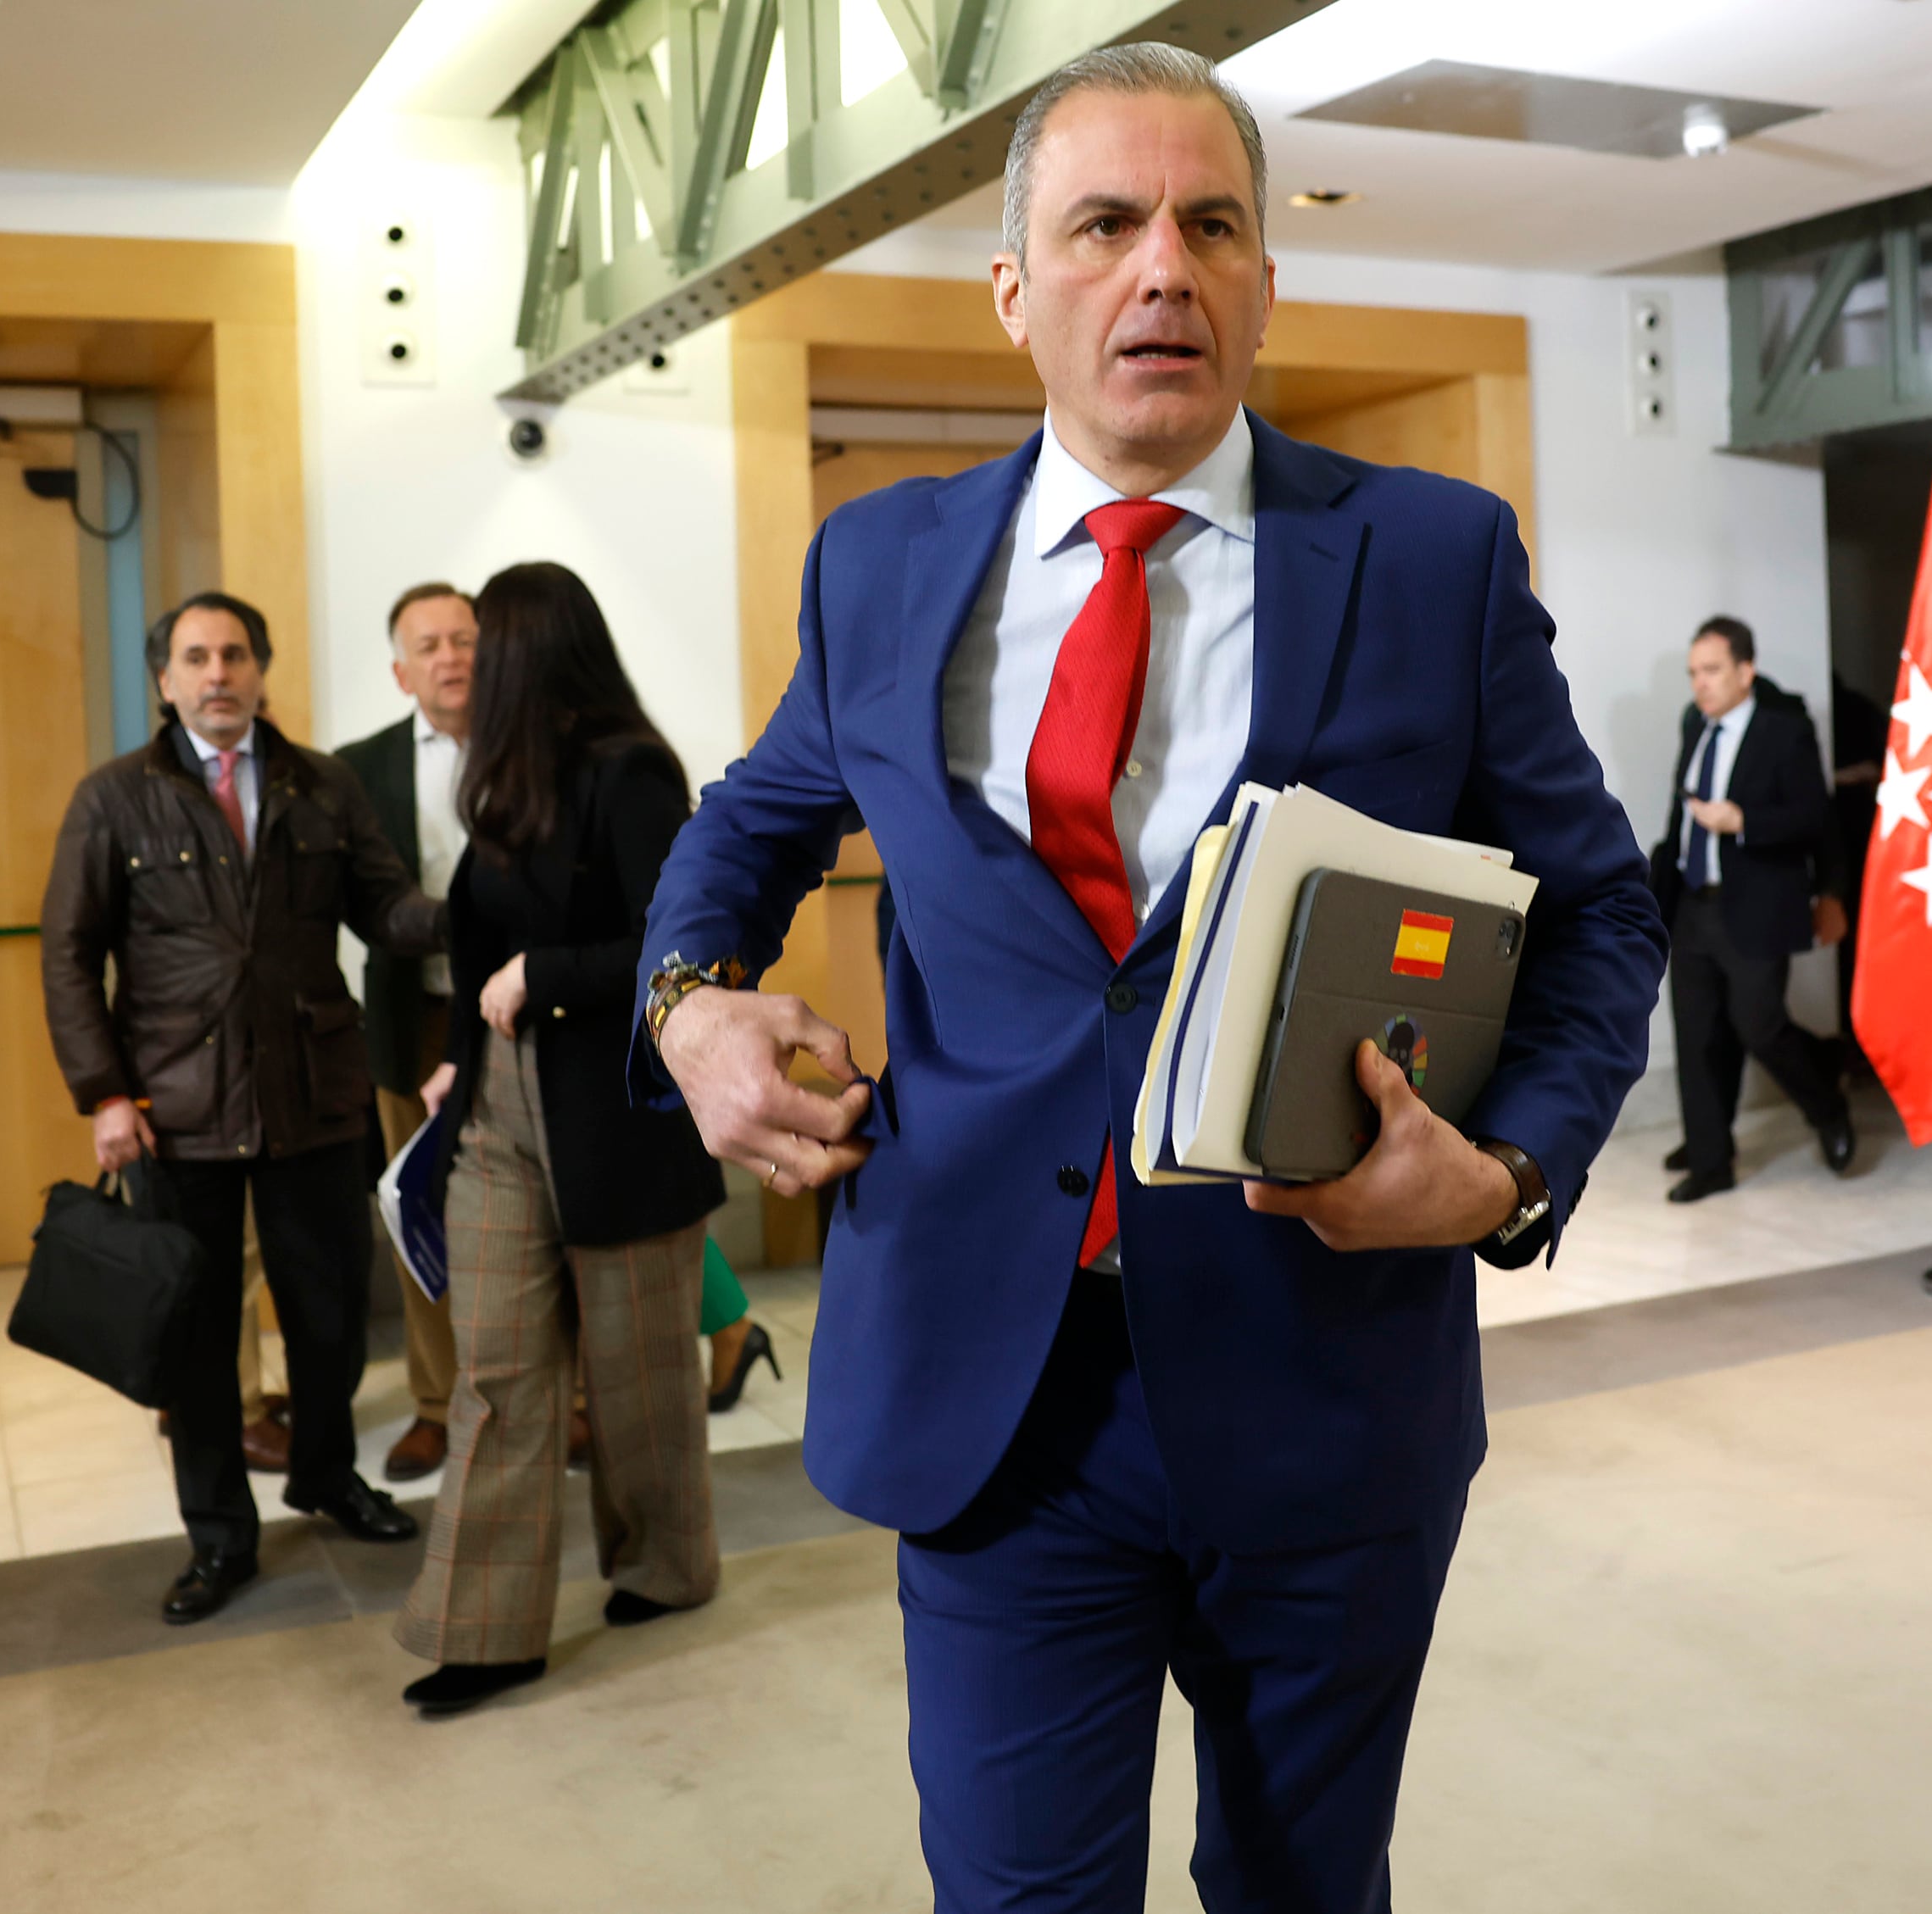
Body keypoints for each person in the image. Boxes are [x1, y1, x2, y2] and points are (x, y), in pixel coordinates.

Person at [634, 44, 1662, 1909]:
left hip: (1326, 1382)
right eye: (1104, 223)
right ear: (1016, 292)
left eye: (1211, 225)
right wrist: (692, 998)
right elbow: (753, 820)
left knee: (1302, 1889)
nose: (1162, 268)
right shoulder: (879, 569)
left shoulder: (1431, 559)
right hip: (999, 1396)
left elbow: (1600, 911)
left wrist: (1506, 1175)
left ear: (1268, 284)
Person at [40, 592, 437, 1626]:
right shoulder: (113, 797)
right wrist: (105, 1093)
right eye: (195, 657)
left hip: (315, 1095)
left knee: (330, 1312)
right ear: (165, 681)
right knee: (199, 1335)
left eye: (235, 655)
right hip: (175, 1106)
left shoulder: (323, 784)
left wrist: (481, 899)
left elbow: (387, 908)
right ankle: (219, 1536)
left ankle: (327, 1476)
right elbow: (71, 956)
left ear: (262, 669)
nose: (218, 673)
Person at [392, 561, 733, 1720]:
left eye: (483, 639)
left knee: (638, 1377)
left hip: (616, 1106)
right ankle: (486, 1633)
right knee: (497, 1372)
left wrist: (547, 977)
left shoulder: (632, 772)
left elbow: (674, 948)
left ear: (534, 648)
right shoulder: (493, 779)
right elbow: (471, 945)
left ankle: (664, 1565)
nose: (464, 659)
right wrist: (455, 1053)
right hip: (496, 1106)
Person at [338, 581, 479, 1481]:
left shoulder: (530, 746)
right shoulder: (358, 767)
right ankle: (437, 1404)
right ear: (401, 670)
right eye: (429, 644)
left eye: (464, 637)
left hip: (523, 1019)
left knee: (535, 1216)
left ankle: (560, 1396)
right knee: (417, 1213)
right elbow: (356, 900)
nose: (451, 655)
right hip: (411, 1018)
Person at [1651, 615, 1856, 1203]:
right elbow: (1679, 815)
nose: (1701, 685)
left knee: (1759, 1025)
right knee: (1697, 1034)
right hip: (1693, 905)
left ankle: (1827, 1103)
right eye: (1694, 673)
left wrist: (1744, 821)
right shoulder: (1695, 724)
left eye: (1712, 671)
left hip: (1757, 905)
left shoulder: (1783, 730)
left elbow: (1814, 817)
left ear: (1746, 671)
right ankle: (1711, 1156)